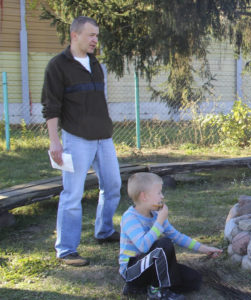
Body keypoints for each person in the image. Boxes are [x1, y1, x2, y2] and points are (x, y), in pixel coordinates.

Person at [41, 16, 121, 266]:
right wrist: (55, 141)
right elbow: (51, 106)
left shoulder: (95, 64)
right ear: (75, 35)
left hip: (103, 138)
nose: (95, 40)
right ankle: (66, 250)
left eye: (97, 35)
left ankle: (104, 231)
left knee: (113, 186)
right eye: (90, 35)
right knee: (72, 194)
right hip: (76, 139)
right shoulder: (58, 66)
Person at [119, 172, 223, 299]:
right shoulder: (130, 217)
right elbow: (143, 246)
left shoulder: (157, 215)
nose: (162, 196)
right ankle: (156, 292)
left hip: (151, 266)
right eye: (158, 193)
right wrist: (159, 222)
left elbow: (177, 236)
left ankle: (140, 288)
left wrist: (205, 249)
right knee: (164, 244)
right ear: (144, 196)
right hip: (133, 270)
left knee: (194, 280)